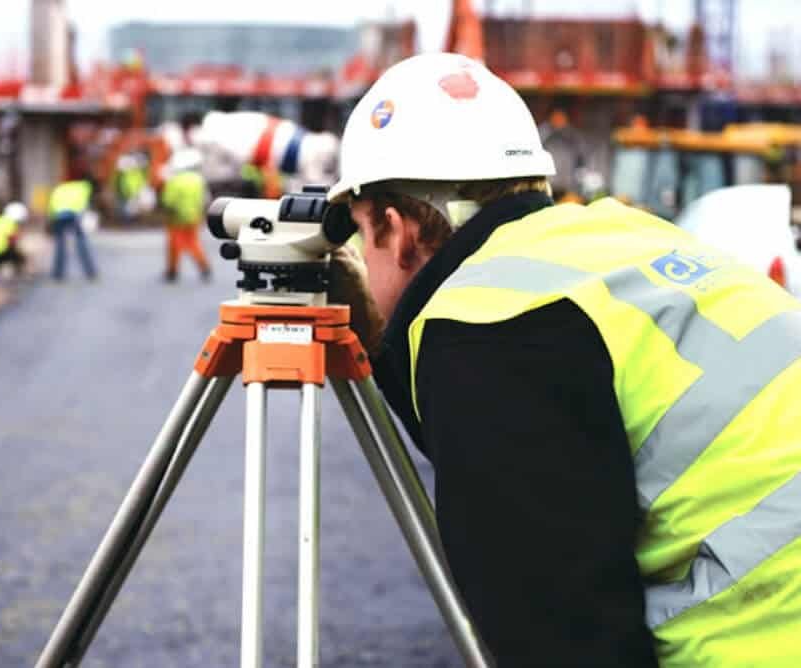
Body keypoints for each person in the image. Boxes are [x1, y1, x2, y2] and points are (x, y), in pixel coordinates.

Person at [326, 53, 801, 667]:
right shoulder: (613, 241)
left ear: (397, 228)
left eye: (364, 234)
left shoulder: (486, 327)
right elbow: (548, 452)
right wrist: (388, 351)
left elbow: (562, 636)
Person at [160, 148, 211, 282]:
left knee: (174, 244)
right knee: (193, 242)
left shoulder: (175, 180)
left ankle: (172, 271)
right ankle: (204, 266)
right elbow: (204, 199)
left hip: (177, 218)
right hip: (194, 216)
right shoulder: (198, 180)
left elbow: (168, 201)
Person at [48, 176, 98, 282]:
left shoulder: (61, 188)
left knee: (60, 246)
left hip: (58, 215)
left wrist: (51, 218)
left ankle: (58, 274)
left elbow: (51, 204)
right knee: (81, 244)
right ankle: (90, 273)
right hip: (74, 215)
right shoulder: (85, 188)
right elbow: (84, 206)